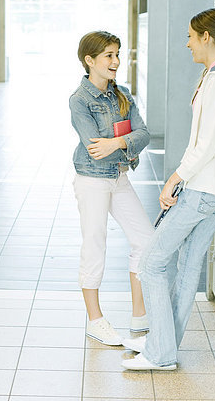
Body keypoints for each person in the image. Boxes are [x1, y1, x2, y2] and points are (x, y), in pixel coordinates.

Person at [121, 8, 215, 370]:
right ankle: (165, 344)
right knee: (189, 266)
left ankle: (160, 353)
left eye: (191, 36)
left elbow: (205, 144)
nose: (187, 43)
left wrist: (175, 178)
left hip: (204, 190)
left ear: (207, 37)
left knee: (151, 264)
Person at [70, 30, 153, 346]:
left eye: (117, 54)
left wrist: (119, 142)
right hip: (92, 178)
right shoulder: (79, 100)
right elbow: (94, 148)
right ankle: (95, 320)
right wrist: (128, 142)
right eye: (109, 55)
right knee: (95, 245)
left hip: (118, 177)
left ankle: (139, 316)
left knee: (145, 240)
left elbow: (144, 134)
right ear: (90, 60)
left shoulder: (124, 94)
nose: (116, 61)